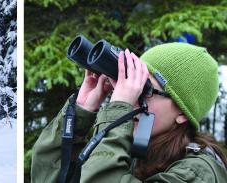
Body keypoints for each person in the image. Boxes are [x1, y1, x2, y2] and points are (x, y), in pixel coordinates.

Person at [31, 43, 227, 182]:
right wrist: (82, 111)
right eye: (131, 85)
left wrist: (118, 108)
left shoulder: (198, 173)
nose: (131, 98)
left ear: (182, 113)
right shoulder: (132, 150)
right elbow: (46, 176)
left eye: (145, 90)